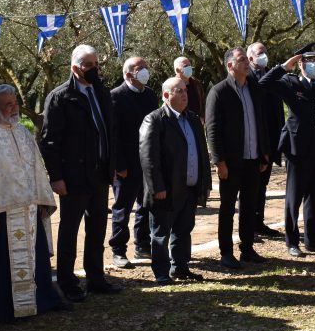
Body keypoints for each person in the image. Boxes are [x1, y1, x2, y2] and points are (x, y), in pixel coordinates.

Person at [0, 84, 68, 320]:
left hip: (30, 209)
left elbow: (36, 168)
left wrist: (43, 199)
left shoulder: (23, 132)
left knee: (37, 260)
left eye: (15, 103)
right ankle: (6, 310)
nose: (15, 108)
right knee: (3, 265)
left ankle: (43, 300)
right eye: (8, 104)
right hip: (2, 215)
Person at [40, 44, 123, 302]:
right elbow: (49, 141)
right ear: (75, 68)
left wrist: (113, 166)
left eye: (97, 64)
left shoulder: (101, 92)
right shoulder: (60, 97)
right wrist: (56, 177)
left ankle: (95, 278)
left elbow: (110, 132)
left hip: (99, 173)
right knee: (69, 230)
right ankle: (67, 282)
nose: (95, 70)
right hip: (73, 175)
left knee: (97, 228)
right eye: (89, 66)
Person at [257, 42, 315, 256]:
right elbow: (264, 84)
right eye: (308, 60)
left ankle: (313, 239)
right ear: (300, 63)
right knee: (294, 196)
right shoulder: (290, 82)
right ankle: (292, 241)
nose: (313, 64)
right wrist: (284, 66)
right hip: (297, 147)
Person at [139, 78, 212, 283]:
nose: (184, 94)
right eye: (178, 91)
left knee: (183, 230)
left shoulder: (192, 118)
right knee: (161, 233)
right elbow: (148, 157)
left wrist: (205, 183)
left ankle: (180, 267)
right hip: (166, 189)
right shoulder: (154, 119)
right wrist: (157, 187)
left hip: (188, 187)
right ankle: (161, 272)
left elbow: (202, 153)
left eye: (185, 90)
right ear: (166, 95)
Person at [206, 46, 269, 268]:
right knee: (227, 208)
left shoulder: (254, 88)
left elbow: (260, 122)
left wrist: (263, 153)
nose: (247, 64)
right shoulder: (219, 91)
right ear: (230, 65)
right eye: (242, 60)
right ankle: (226, 252)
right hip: (231, 162)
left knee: (249, 206)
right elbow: (212, 131)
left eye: (246, 60)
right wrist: (219, 161)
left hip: (253, 159)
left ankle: (247, 248)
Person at [109, 56, 159, 268]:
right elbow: (113, 135)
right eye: (141, 69)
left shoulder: (150, 95)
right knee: (123, 207)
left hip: (147, 162)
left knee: (145, 205)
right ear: (128, 74)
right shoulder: (115, 97)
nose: (145, 72)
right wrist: (119, 165)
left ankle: (142, 245)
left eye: (146, 67)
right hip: (126, 165)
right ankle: (118, 250)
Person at [247, 42, 285, 238]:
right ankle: (248, 226)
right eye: (260, 53)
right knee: (251, 184)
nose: (264, 56)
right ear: (251, 57)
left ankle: (258, 222)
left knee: (263, 184)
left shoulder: (271, 75)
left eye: (266, 52)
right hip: (255, 138)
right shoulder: (247, 77)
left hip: (271, 138)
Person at [174, 55, 206, 121]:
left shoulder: (196, 83)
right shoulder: (172, 86)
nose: (189, 68)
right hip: (182, 123)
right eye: (186, 66)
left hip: (199, 123)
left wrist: (203, 117)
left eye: (189, 65)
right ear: (177, 70)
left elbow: (203, 101)